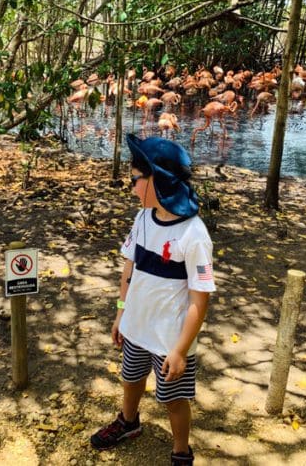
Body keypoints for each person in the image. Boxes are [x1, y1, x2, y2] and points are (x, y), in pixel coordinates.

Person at [90, 134, 216, 466]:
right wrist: (121, 314)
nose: (131, 187)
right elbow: (129, 268)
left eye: (135, 179)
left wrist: (179, 350)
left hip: (169, 339)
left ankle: (180, 452)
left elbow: (198, 301)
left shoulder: (194, 235)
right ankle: (128, 422)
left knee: (174, 400)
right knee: (130, 379)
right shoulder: (143, 218)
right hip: (136, 326)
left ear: (157, 181)